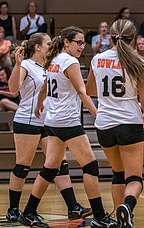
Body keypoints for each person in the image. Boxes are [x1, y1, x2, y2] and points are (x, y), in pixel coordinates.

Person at [17, 26, 117, 227]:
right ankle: (99, 216)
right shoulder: (70, 61)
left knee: (50, 168)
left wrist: (39, 105)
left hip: (52, 122)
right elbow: (82, 92)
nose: (82, 46)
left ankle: (28, 212)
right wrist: (99, 115)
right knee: (90, 165)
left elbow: (45, 87)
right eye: (78, 42)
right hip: (67, 121)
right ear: (66, 42)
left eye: (83, 42)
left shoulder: (53, 60)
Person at [86, 19, 144, 228]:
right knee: (134, 178)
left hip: (104, 125)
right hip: (129, 123)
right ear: (133, 39)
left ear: (111, 36)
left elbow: (91, 91)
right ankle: (127, 208)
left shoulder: (97, 59)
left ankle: (120, 220)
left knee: (118, 174)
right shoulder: (137, 62)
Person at [6, 33, 91, 222]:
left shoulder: (49, 65)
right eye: (48, 43)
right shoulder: (27, 64)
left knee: (59, 164)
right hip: (27, 121)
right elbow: (13, 89)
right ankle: (13, 209)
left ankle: (73, 207)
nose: (52, 46)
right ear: (38, 47)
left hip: (48, 123)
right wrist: (18, 64)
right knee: (23, 166)